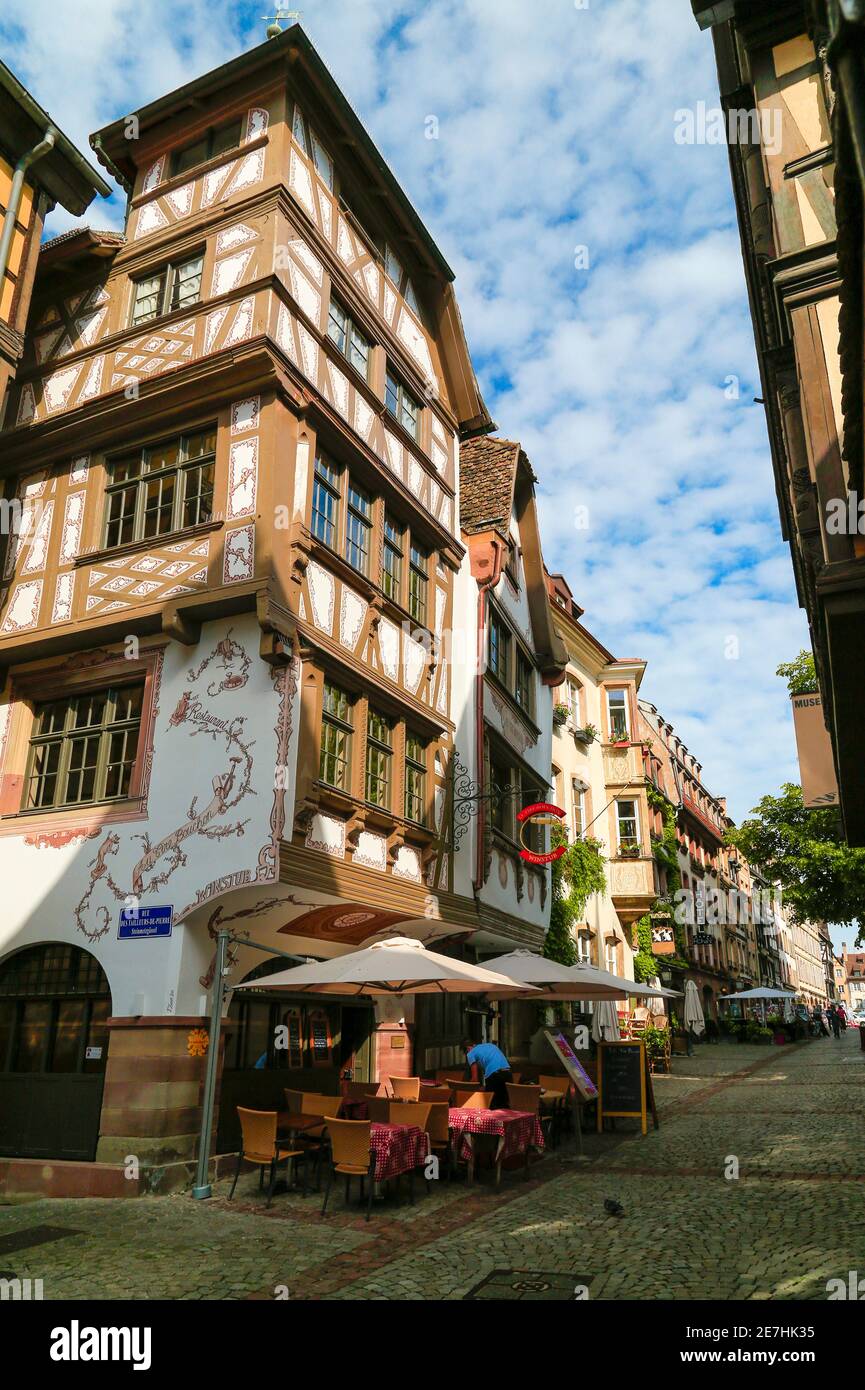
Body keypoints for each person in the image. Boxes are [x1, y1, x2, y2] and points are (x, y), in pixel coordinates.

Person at [462, 1038, 512, 1109]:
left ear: (468, 1049)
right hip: (507, 1072)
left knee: (492, 1106)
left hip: (494, 1075)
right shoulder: (490, 1045)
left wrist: (466, 1089)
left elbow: (475, 1079)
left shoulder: (470, 1053)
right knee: (505, 1105)